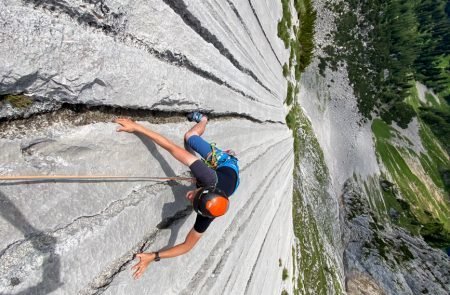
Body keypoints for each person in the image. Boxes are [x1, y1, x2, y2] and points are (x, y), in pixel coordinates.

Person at [114, 112, 240, 280]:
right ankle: (203, 119)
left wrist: (153, 256)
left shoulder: (209, 213)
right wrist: (136, 127)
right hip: (226, 164)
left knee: (195, 167)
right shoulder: (208, 178)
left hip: (231, 182)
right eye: (194, 197)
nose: (188, 197)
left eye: (193, 203)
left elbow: (187, 246)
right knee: (189, 137)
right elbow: (171, 147)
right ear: (206, 189)